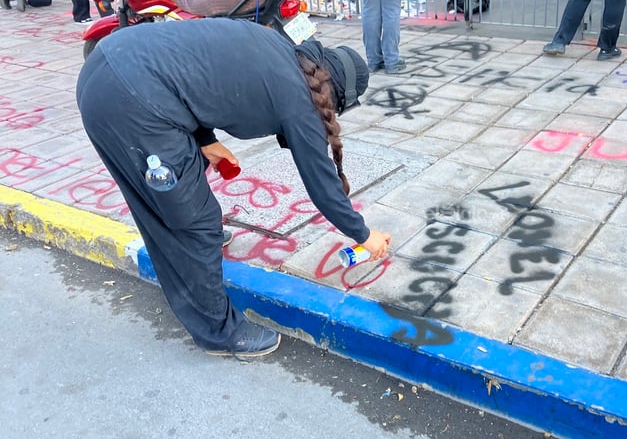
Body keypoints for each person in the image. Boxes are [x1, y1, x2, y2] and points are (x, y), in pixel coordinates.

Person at [76, 18, 392, 357]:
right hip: (129, 100)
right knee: (197, 223)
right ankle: (218, 332)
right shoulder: (300, 99)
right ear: (338, 94)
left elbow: (194, 72)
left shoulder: (282, 51)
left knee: (172, 202)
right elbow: (323, 187)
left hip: (107, 65)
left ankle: (195, 253)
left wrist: (204, 140)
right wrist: (364, 235)